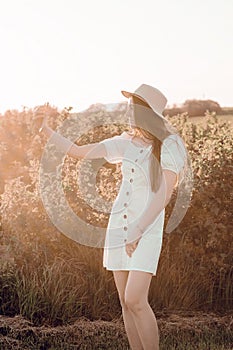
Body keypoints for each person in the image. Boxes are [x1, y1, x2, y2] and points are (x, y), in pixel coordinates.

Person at [34, 84, 188, 350]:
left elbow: (164, 193)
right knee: (125, 304)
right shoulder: (124, 142)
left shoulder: (170, 144)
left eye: (133, 107)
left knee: (136, 299)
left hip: (146, 229)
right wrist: (47, 131)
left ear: (146, 111)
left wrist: (138, 229)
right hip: (119, 227)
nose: (127, 112)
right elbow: (79, 151)